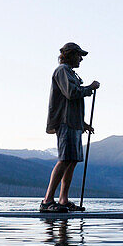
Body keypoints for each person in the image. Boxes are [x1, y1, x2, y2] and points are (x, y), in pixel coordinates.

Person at [43, 43, 99, 212]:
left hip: (74, 123)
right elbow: (71, 93)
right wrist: (90, 88)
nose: (81, 59)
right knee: (64, 159)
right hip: (65, 122)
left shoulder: (70, 73)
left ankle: (63, 200)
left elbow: (72, 100)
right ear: (70, 55)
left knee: (72, 160)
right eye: (79, 55)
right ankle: (47, 201)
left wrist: (83, 123)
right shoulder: (62, 71)